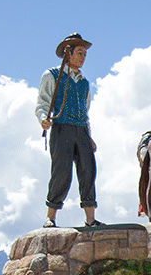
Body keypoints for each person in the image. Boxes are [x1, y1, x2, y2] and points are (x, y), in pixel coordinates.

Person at [36, 33, 102, 229]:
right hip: (61, 128)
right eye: (79, 53)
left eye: (85, 54)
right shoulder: (52, 75)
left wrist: (89, 137)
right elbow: (43, 102)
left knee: (88, 170)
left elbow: (85, 110)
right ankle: (51, 217)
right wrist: (43, 119)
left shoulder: (84, 83)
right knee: (61, 172)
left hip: (81, 130)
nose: (83, 57)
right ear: (68, 53)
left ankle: (91, 219)